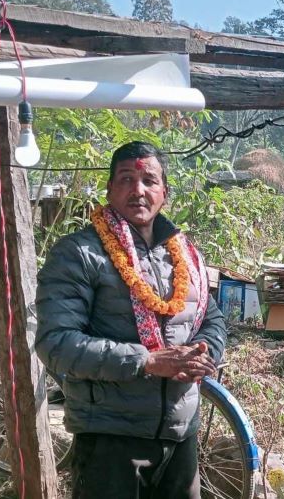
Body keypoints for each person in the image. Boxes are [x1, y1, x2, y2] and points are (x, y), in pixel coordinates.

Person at [35, 141, 226, 499]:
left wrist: (203, 352)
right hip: (111, 438)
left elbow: (210, 316)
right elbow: (55, 343)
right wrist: (148, 362)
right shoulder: (78, 254)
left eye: (149, 180)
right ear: (109, 190)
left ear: (164, 193)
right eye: (126, 178)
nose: (138, 190)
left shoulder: (185, 255)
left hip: (181, 433)